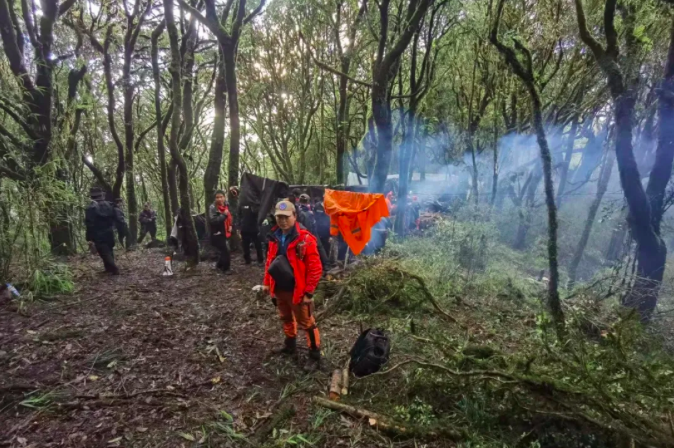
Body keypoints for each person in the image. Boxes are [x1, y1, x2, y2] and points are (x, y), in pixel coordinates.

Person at [263, 200, 323, 371]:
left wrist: (309, 292)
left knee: (307, 322)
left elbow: (315, 267)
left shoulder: (305, 239)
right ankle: (290, 345)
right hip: (280, 288)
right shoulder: (274, 236)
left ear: (295, 216)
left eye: (286, 217)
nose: (282, 220)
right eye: (279, 217)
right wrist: (267, 283)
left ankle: (314, 354)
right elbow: (270, 261)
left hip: (298, 290)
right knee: (285, 317)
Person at [85, 187, 126, 275]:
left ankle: (114, 269)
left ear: (92, 197)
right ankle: (108, 269)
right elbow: (119, 218)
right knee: (109, 250)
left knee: (104, 251)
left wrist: (89, 237)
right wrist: (119, 230)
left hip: (98, 233)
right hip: (109, 231)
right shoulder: (110, 205)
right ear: (102, 195)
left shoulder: (91, 208)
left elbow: (89, 224)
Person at [208, 190, 233, 274]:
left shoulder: (227, 205)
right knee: (225, 250)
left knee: (224, 250)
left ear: (224, 197)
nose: (219, 199)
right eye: (217, 197)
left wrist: (231, 225)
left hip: (226, 231)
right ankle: (226, 269)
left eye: (221, 197)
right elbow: (213, 221)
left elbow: (231, 217)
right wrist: (224, 215)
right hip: (217, 232)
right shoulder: (213, 208)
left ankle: (219, 265)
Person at [238, 199, 264, 265]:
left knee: (258, 244)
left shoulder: (255, 201)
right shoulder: (241, 203)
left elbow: (259, 213)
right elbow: (239, 215)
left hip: (254, 227)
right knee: (245, 245)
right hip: (244, 228)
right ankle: (247, 260)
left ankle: (260, 260)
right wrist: (238, 226)